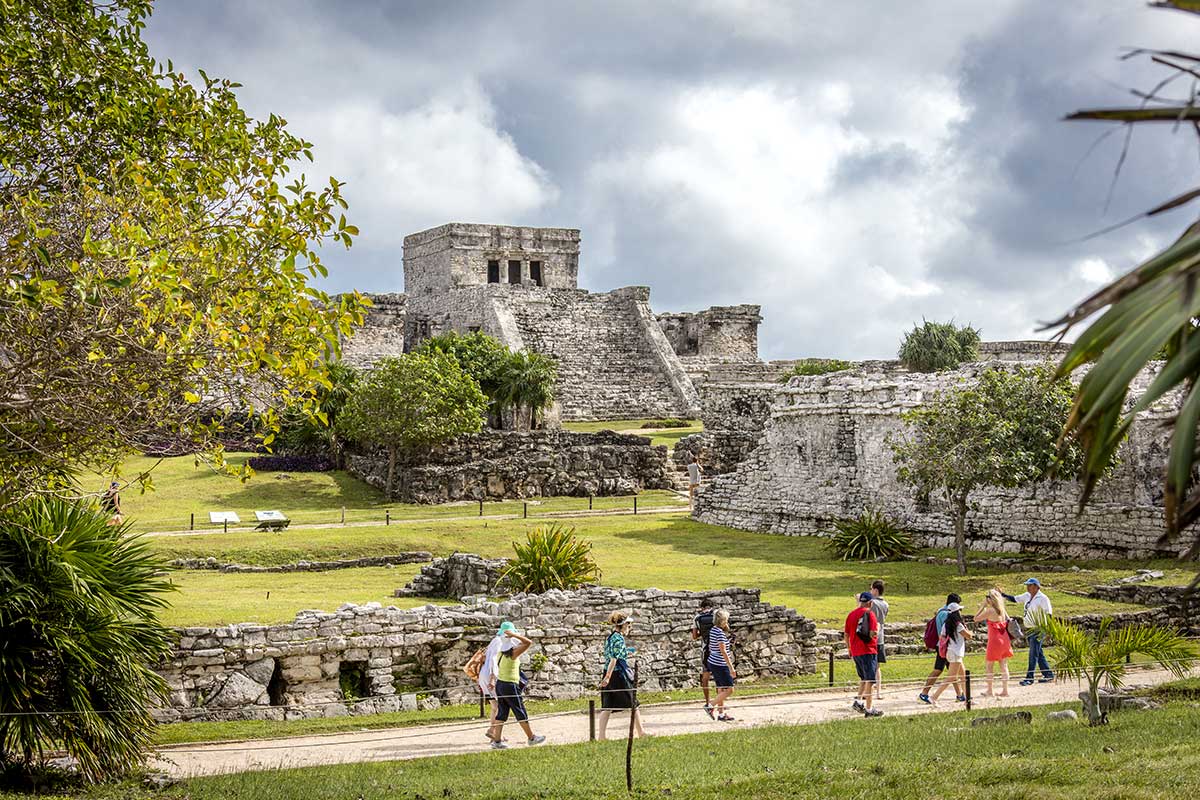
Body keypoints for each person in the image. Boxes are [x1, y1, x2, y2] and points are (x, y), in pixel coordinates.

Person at [487, 626, 546, 749]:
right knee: (520, 711)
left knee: (502, 713)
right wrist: (514, 635)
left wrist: (510, 636)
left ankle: (497, 741)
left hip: (500, 684)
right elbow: (528, 642)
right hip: (510, 685)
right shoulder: (513, 653)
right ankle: (531, 737)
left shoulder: (500, 653)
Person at [598, 610, 645, 739]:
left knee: (607, 706)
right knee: (633, 703)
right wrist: (608, 677)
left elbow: (612, 655)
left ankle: (601, 736)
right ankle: (641, 733)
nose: (629, 628)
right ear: (623, 625)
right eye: (628, 625)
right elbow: (614, 659)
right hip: (617, 674)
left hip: (608, 672)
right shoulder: (619, 638)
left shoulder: (611, 636)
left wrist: (628, 651)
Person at [1002, 578, 1054, 686]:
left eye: (1029, 585)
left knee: (1033, 654)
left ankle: (1029, 678)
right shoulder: (1027, 596)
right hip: (1029, 628)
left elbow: (1049, 614)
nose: (1027, 587)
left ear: (1036, 586)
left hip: (1038, 628)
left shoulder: (1043, 598)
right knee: (1038, 653)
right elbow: (1014, 599)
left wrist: (1048, 629)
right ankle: (1048, 674)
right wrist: (1002, 594)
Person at [844, 592, 884, 718]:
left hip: (855, 651)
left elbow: (846, 634)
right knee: (870, 680)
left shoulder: (851, 614)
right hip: (868, 650)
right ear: (870, 603)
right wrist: (877, 628)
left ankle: (859, 701)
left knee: (863, 678)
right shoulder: (870, 614)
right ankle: (869, 709)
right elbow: (872, 634)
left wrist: (849, 648)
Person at [918, 593, 962, 704]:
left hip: (942, 645)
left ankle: (960, 694)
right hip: (945, 646)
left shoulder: (940, 611)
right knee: (939, 669)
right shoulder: (946, 614)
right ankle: (924, 693)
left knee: (952, 671)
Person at [974, 589, 1013, 697]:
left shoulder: (990, 611)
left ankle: (990, 690)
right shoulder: (1002, 610)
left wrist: (982, 606)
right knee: (1004, 665)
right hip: (1004, 638)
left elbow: (975, 618)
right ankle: (1005, 690)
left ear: (991, 599)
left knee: (989, 665)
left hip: (994, 640)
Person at [930, 602, 972, 703]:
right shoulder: (958, 625)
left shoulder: (946, 624)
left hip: (950, 651)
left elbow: (942, 636)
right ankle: (934, 697)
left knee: (963, 676)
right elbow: (969, 636)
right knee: (951, 677)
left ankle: (967, 698)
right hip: (956, 653)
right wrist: (969, 631)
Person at [479, 622, 511, 744]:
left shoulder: (494, 640)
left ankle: (493, 730)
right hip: (490, 675)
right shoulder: (500, 642)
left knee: (494, 706)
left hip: (484, 674)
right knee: (499, 705)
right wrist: (493, 678)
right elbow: (493, 659)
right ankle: (494, 731)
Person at [706, 609, 737, 721]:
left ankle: (721, 714)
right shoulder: (719, 632)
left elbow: (714, 646)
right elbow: (723, 651)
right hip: (720, 663)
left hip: (713, 662)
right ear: (723, 621)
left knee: (721, 689)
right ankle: (710, 706)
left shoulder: (714, 630)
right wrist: (731, 668)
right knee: (729, 689)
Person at [691, 597, 716, 717]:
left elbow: (695, 636)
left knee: (705, 678)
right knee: (718, 677)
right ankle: (718, 704)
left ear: (702, 607)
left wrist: (703, 632)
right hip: (717, 649)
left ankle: (707, 702)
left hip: (705, 649)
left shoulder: (697, 618)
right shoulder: (717, 615)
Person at [868, 580, 889, 700]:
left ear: (875, 590)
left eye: (871, 589)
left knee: (869, 665)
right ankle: (878, 692)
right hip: (880, 636)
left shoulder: (872, 603)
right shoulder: (886, 604)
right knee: (877, 666)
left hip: (871, 636)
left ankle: (867, 691)